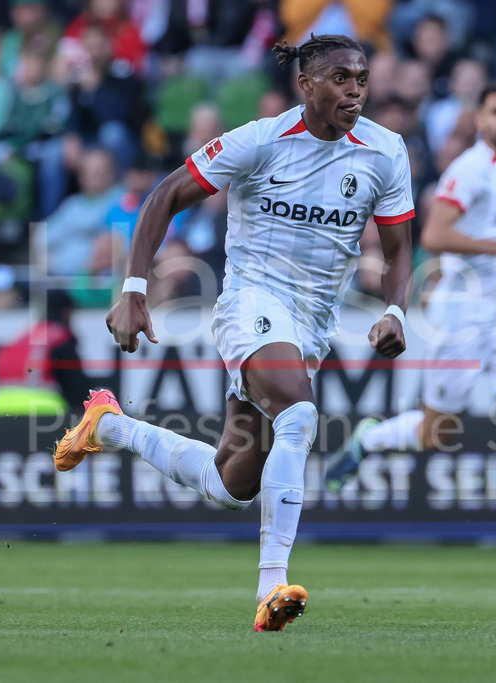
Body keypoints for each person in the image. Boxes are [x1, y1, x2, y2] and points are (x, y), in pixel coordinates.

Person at [52, 34, 415, 632]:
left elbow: (400, 249)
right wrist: (134, 292)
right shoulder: (260, 141)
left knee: (232, 484)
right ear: (306, 85)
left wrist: (396, 312)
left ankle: (109, 426)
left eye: (361, 78)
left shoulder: (385, 151)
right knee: (299, 415)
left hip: (313, 323)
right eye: (341, 78)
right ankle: (272, 587)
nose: (356, 90)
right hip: (251, 301)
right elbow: (166, 194)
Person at [325, 82, 496, 574]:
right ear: (481, 120)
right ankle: (372, 439)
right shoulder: (471, 169)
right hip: (462, 318)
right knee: (435, 434)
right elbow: (435, 234)